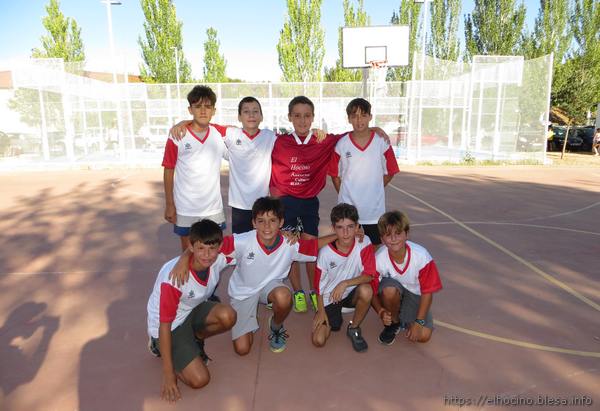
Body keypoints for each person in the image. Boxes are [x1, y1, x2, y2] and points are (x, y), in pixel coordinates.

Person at [170, 197, 337, 354]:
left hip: (270, 288)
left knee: (284, 296)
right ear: (253, 223)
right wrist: (185, 257)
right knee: (242, 349)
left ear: (281, 222)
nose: (267, 227)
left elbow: (314, 246)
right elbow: (209, 245)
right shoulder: (241, 242)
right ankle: (249, 315)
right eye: (261, 221)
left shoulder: (289, 244)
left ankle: (276, 326)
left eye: (272, 221)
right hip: (244, 292)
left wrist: (340, 234)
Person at [271, 96, 390, 314]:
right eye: (297, 115)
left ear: (313, 117)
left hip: (308, 203)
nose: (302, 120)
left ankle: (314, 292)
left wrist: (372, 127)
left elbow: (353, 133)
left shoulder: (322, 139)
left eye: (307, 116)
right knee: (290, 248)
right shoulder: (279, 141)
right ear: (289, 117)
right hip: (286, 202)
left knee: (310, 248)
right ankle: (298, 291)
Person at [146, 220, 236, 403]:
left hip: (191, 309)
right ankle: (157, 346)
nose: (207, 255)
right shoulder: (174, 279)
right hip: (169, 327)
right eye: (201, 248)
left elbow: (255, 237)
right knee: (200, 380)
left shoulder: (219, 254)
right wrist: (168, 374)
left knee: (228, 316)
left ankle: (194, 339)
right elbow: (164, 325)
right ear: (191, 246)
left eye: (212, 249)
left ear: (220, 246)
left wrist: (289, 236)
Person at [162, 85, 227, 251]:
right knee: (188, 253)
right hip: (186, 207)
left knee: (212, 253)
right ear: (190, 109)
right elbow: (169, 169)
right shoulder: (178, 135)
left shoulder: (220, 133)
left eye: (207, 107)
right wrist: (170, 204)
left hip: (212, 208)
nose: (203, 111)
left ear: (214, 110)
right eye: (198, 107)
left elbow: (247, 133)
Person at [329, 98, 399, 247]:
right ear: (349, 119)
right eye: (354, 116)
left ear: (370, 117)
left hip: (373, 212)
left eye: (363, 115)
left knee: (374, 251)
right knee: (348, 251)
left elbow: (391, 171)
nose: (359, 120)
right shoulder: (341, 144)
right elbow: (335, 176)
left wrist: (375, 187)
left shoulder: (382, 142)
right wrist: (345, 195)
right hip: (348, 212)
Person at [312, 203, 376, 352]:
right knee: (318, 340)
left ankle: (354, 327)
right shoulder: (325, 254)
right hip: (330, 297)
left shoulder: (364, 242)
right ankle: (331, 316)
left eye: (350, 227)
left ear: (357, 226)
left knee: (367, 290)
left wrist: (345, 283)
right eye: (340, 227)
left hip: (351, 292)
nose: (346, 233)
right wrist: (321, 311)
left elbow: (369, 274)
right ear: (334, 229)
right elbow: (318, 288)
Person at [371, 211, 442, 345]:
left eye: (398, 233)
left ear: (407, 234)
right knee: (389, 291)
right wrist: (380, 311)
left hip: (415, 293)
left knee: (424, 336)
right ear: (382, 239)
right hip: (393, 289)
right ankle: (394, 323)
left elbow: (428, 292)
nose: (393, 239)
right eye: (388, 235)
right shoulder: (379, 259)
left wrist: (419, 322)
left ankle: (405, 315)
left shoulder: (421, 256)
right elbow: (371, 289)